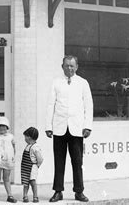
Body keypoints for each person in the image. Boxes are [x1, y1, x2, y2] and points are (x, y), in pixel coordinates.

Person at [45, 55, 93, 202]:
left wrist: (87, 126)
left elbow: (88, 105)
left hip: (77, 128)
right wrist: (48, 125)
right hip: (59, 127)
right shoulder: (56, 82)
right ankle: (58, 191)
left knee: (77, 161)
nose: (69, 68)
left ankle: (79, 192)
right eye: (67, 66)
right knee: (59, 161)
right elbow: (50, 105)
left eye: (72, 66)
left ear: (77, 67)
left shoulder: (83, 83)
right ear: (62, 67)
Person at [0, 116, 17, 204]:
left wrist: (12, 157)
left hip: (8, 160)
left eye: (3, 126)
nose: (1, 128)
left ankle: (10, 195)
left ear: (7, 127)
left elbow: (13, 148)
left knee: (6, 178)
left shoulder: (11, 137)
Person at [21, 127, 44, 203]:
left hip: (32, 167)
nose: (24, 138)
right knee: (25, 182)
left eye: (25, 136)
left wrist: (37, 165)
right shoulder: (28, 145)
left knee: (32, 182)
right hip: (25, 167)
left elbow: (40, 158)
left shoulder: (35, 147)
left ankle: (35, 196)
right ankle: (25, 196)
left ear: (29, 137)